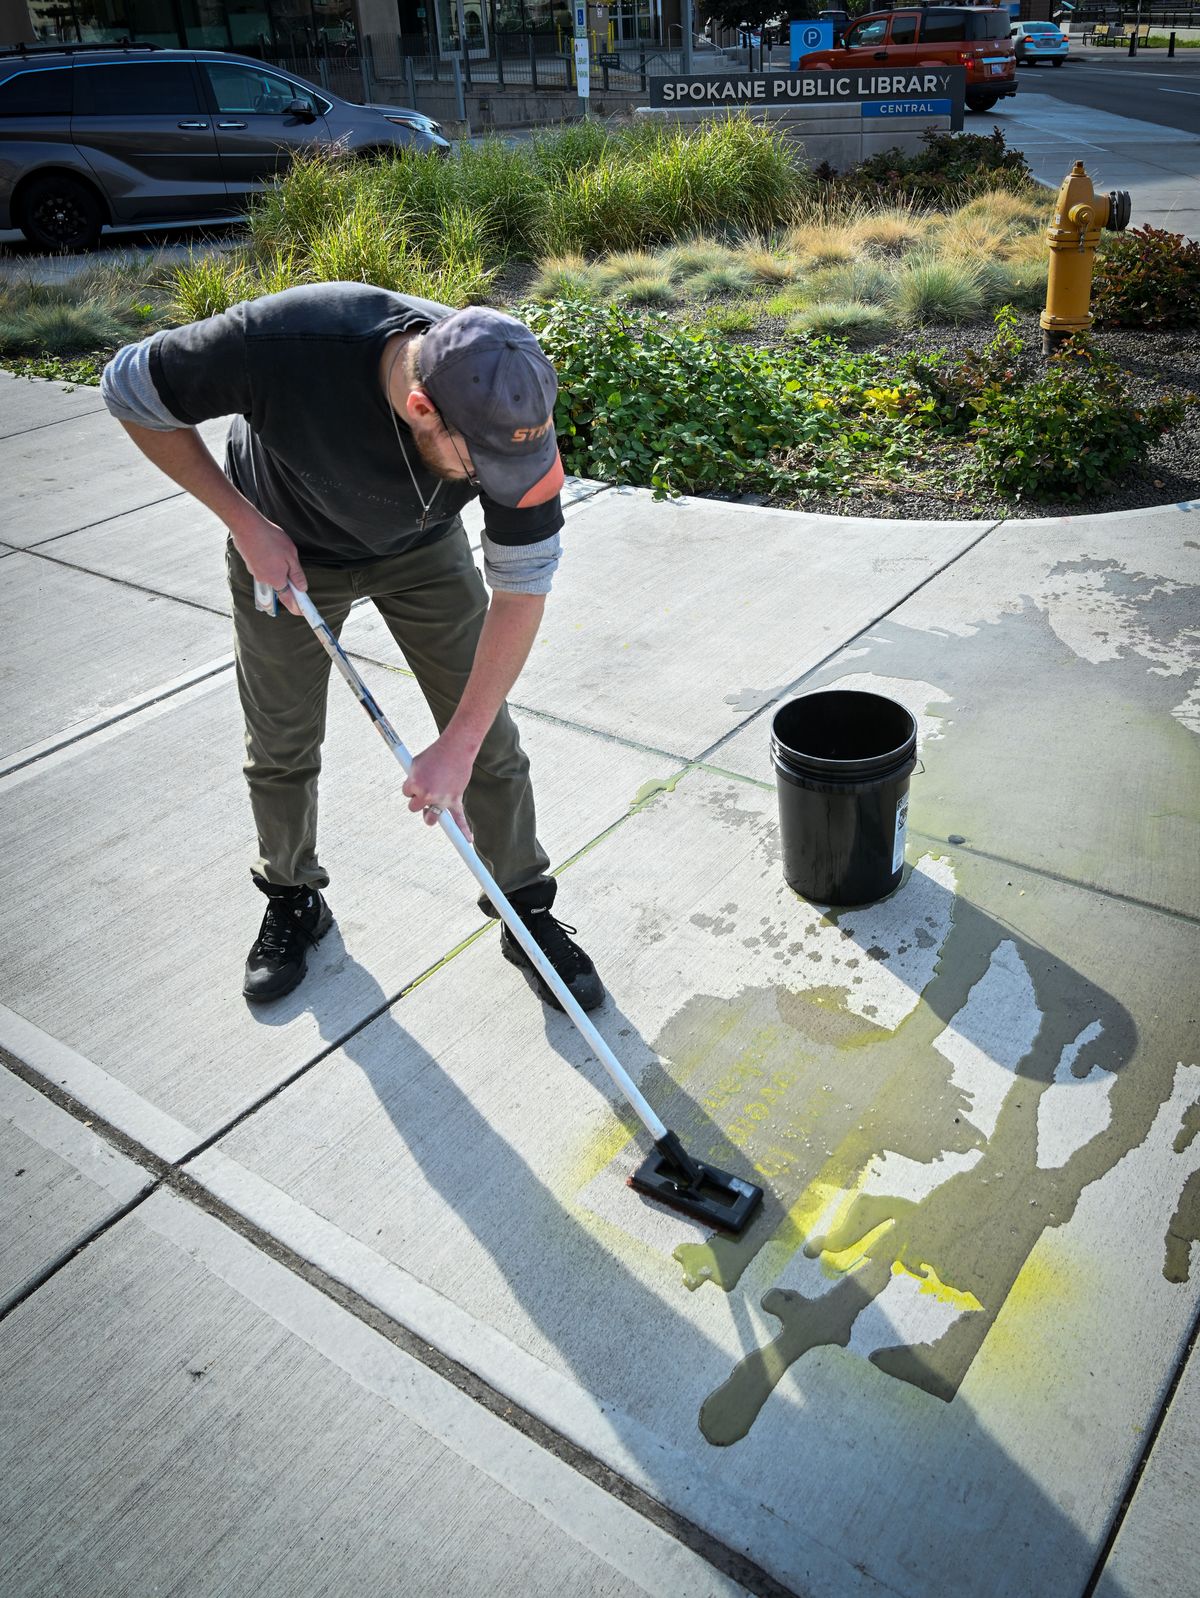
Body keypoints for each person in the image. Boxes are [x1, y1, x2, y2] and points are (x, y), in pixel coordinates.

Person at [100, 282, 605, 1013]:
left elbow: (524, 586)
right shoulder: (287, 342)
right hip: (286, 546)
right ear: (422, 408)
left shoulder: (507, 399)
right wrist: (245, 523)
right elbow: (129, 389)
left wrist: (455, 745)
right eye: (482, 470)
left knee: (484, 734)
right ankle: (292, 895)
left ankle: (523, 909)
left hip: (424, 549)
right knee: (281, 740)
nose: (499, 485)